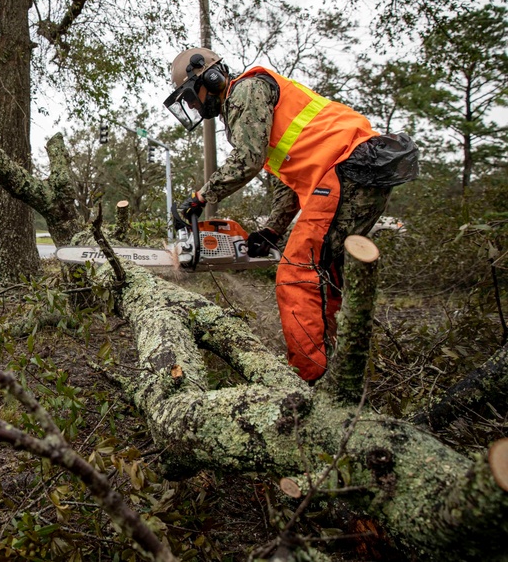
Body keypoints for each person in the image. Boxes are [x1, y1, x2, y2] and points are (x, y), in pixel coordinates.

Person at [164, 48, 417, 382]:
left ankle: (311, 377)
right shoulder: (255, 101)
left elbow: (248, 159)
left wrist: (200, 198)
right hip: (354, 171)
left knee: (296, 273)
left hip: (343, 170)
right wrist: (272, 230)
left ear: (209, 77)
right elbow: (288, 178)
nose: (194, 106)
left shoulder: (245, 91)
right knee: (326, 272)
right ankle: (340, 366)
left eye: (191, 97)